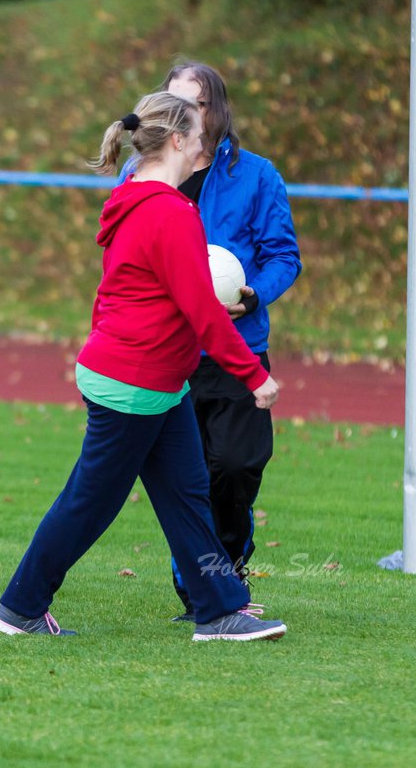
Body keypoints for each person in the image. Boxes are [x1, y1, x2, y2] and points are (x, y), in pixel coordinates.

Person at [0, 92, 288, 641]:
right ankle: (21, 605)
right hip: (134, 382)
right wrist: (255, 376)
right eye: (198, 138)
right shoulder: (169, 213)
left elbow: (117, 292)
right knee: (90, 501)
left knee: (187, 491)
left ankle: (219, 609)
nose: (204, 148)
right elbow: (204, 313)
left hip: (155, 380)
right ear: (177, 141)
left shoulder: (132, 196)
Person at [118, 62, 301, 620]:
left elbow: (283, 256)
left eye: (192, 104)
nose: (181, 114)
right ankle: (202, 584)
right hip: (169, 350)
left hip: (237, 346)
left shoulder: (257, 175)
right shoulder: (141, 174)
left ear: (215, 112)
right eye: (170, 101)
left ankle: (227, 565)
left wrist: (253, 295)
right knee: (186, 475)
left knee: (238, 464)